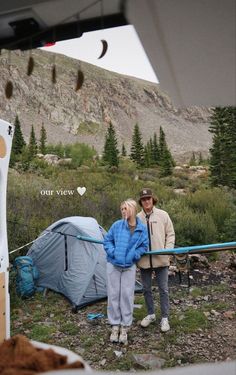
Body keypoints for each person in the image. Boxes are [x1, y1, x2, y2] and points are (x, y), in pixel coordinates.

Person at [104, 199, 148, 344]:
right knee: (113, 295)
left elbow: (144, 246)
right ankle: (115, 325)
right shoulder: (116, 225)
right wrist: (113, 252)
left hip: (129, 266)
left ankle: (125, 326)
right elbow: (107, 241)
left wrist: (135, 255)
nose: (123, 211)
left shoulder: (141, 229)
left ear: (133, 209)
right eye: (122, 209)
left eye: (126, 208)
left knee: (127, 295)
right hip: (113, 265)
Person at [137, 188, 175, 332]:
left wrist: (167, 250)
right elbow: (133, 237)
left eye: (148, 198)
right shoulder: (137, 218)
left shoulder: (163, 215)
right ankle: (151, 314)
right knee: (146, 289)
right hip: (144, 260)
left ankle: (165, 318)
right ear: (141, 202)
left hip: (161, 259)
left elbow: (170, 234)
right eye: (143, 199)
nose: (146, 201)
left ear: (153, 199)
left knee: (163, 289)